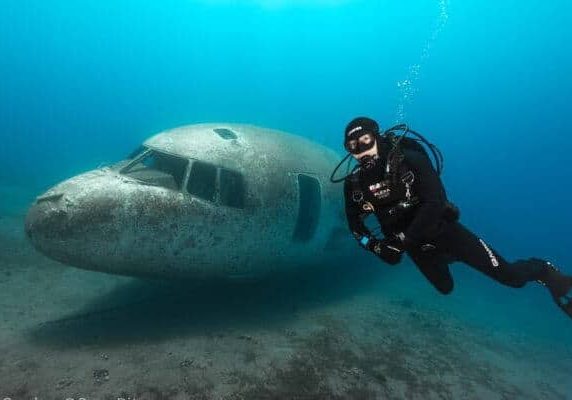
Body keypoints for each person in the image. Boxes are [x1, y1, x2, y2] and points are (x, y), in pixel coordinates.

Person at [338, 116, 572, 319]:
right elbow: (355, 226)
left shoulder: (410, 160)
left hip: (442, 231)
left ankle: (543, 269)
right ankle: (447, 256)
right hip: (416, 244)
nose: (361, 149)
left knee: (511, 277)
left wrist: (403, 241)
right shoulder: (354, 183)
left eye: (366, 140)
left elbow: (435, 202)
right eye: (352, 146)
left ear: (377, 137)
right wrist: (376, 246)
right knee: (445, 287)